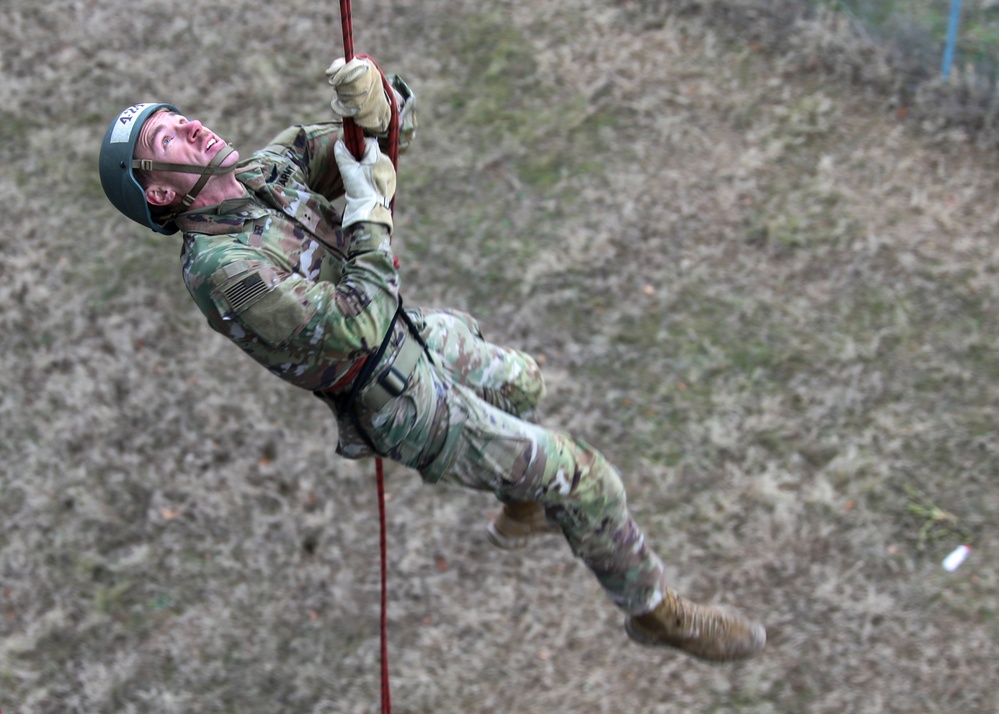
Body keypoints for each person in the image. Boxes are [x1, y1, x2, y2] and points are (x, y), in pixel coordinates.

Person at [98, 57, 766, 662]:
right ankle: (656, 613)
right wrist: (368, 211)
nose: (195, 130)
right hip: (395, 396)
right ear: (160, 193)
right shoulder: (224, 272)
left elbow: (372, 146)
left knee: (523, 382)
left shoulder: (261, 175)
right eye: (170, 143)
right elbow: (357, 325)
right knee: (584, 477)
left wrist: (377, 106)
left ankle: (519, 500)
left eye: (183, 120)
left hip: (410, 335)